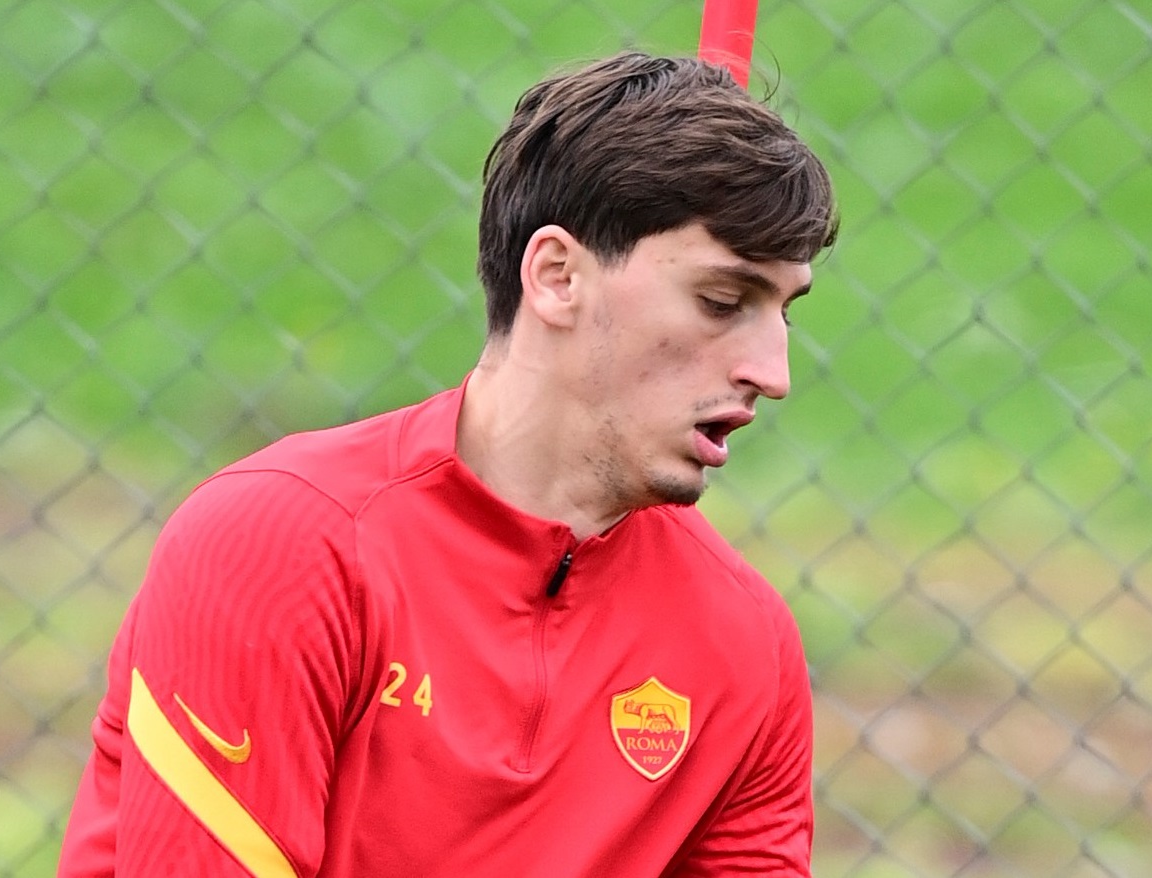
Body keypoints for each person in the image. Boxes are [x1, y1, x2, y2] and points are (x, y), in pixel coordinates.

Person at [59, 50, 837, 877]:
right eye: (722, 302)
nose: (773, 373)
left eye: (783, 312)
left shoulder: (741, 640)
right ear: (556, 277)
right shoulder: (280, 545)